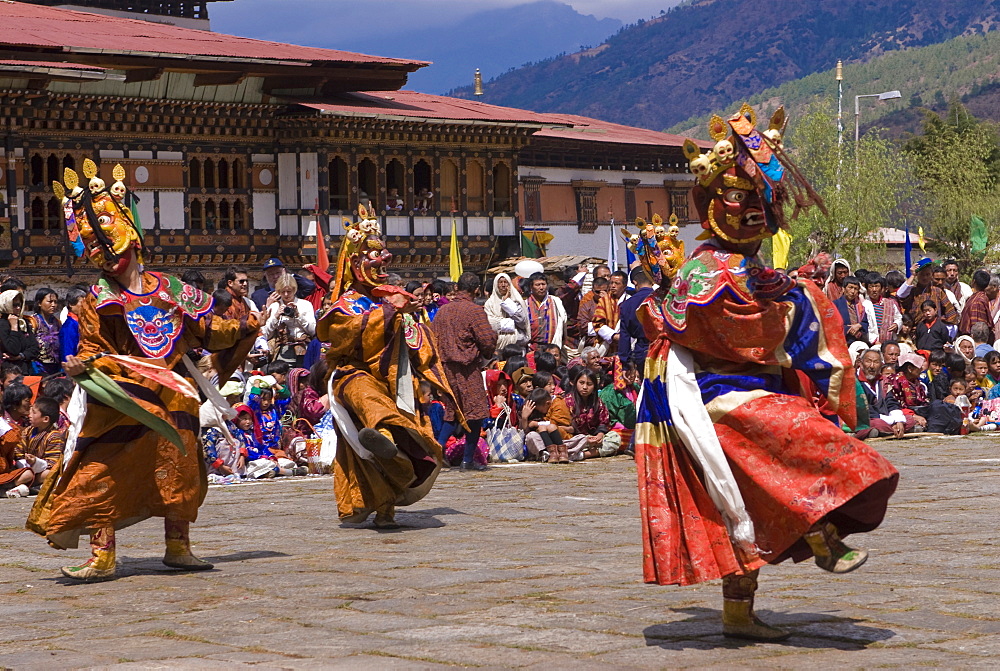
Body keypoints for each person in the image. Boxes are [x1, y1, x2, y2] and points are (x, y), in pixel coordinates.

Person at [635, 108, 898, 642]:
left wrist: (796, 297)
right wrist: (797, 303)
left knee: (746, 500)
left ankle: (742, 610)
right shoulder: (704, 270)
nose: (753, 212)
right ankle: (820, 528)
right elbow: (733, 329)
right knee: (796, 444)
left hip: (750, 386)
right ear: (712, 207)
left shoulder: (752, 269)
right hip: (709, 394)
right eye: (739, 200)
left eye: (758, 201)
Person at [28, 161, 260, 582]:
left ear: (131, 235)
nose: (104, 253)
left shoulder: (171, 289)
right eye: (95, 248)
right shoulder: (96, 301)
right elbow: (93, 349)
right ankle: (102, 555)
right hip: (120, 400)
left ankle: (179, 546)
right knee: (100, 472)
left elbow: (209, 327)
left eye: (109, 240)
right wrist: (85, 367)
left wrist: (244, 326)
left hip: (172, 396)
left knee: (180, 469)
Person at [315, 205, 459, 528]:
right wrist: (390, 314)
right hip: (352, 375)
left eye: (383, 254)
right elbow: (344, 334)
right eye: (373, 255)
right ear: (354, 263)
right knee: (367, 398)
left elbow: (417, 341)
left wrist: (409, 320)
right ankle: (382, 438)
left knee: (405, 414)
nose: (382, 260)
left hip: (393, 377)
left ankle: (388, 504)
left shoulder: (385, 299)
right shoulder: (344, 304)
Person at [432, 272, 497, 472]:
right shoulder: (474, 311)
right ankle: (468, 460)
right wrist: (489, 346)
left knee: (452, 412)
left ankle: (437, 452)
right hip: (467, 368)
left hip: (445, 368)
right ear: (476, 289)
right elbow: (487, 340)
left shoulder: (442, 311)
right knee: (474, 414)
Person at [261, 273, 316, 368]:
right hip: (281, 352)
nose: (286, 295)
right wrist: (276, 317)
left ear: (294, 290)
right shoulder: (274, 307)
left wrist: (298, 316)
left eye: (289, 291)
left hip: (302, 350)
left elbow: (313, 331)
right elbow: (265, 334)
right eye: (283, 292)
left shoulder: (305, 305)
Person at [857, 349, 914, 437]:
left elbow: (891, 401)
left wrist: (898, 420)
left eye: (876, 362)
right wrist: (891, 421)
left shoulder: (883, 382)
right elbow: (862, 409)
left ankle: (889, 429)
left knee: (909, 419)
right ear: (861, 363)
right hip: (868, 418)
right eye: (868, 361)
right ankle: (897, 429)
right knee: (876, 423)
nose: (872, 366)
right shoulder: (854, 382)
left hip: (885, 418)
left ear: (881, 365)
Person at [563, 368, 612, 460]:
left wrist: (599, 435)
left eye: (589, 384)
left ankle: (583, 455)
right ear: (575, 383)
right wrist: (584, 439)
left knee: (615, 438)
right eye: (581, 383)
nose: (585, 387)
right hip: (576, 439)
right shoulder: (567, 401)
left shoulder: (597, 402)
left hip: (594, 437)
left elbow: (604, 422)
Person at [18, 396, 66, 490]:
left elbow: (53, 462)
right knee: (26, 474)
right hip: (25, 470)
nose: (29, 415)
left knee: (48, 474)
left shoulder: (54, 436)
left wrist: (35, 462)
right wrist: (24, 460)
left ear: (45, 419)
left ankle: (26, 485)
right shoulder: (27, 431)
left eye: (34, 412)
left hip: (41, 472)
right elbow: (18, 451)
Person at [898, 259, 959, 327]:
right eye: (922, 274)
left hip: (934, 331)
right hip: (915, 331)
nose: (925, 277)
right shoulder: (912, 291)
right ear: (917, 275)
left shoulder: (938, 291)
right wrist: (912, 275)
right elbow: (900, 294)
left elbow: (951, 313)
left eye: (927, 274)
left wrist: (941, 322)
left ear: (932, 276)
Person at [0, 383, 33, 497]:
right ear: (15, 404)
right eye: (27, 401)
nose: (30, 404)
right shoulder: (5, 426)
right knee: (27, 474)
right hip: (6, 468)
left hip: (22, 464)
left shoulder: (29, 421)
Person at [484, 273, 529, 354]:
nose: (503, 285)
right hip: (497, 347)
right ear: (496, 285)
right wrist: (511, 324)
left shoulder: (516, 300)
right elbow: (490, 324)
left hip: (516, 345)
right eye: (500, 282)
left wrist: (507, 302)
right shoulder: (489, 303)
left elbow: (522, 322)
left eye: (506, 282)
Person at [618, 267, 654, 369]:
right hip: (664, 351)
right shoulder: (664, 298)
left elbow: (624, 336)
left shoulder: (627, 305)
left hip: (642, 351)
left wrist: (626, 363)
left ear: (635, 282)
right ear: (652, 280)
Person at [520, 388, 567, 463]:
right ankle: (550, 454)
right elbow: (525, 433)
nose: (540, 412)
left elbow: (559, 425)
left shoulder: (557, 405)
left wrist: (536, 424)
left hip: (561, 438)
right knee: (532, 436)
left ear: (548, 403)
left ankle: (562, 453)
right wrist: (524, 418)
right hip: (542, 442)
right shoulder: (533, 410)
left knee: (579, 439)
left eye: (540, 410)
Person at [250, 257, 317, 310]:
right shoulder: (258, 295)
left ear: (283, 271)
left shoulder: (292, 290)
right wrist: (268, 306)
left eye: (278, 273)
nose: (275, 277)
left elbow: (310, 286)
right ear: (265, 275)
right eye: (271, 274)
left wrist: (289, 276)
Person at [525, 272, 568, 351]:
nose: (541, 288)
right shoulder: (525, 304)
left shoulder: (555, 301)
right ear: (531, 287)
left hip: (552, 346)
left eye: (543, 284)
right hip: (531, 348)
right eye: (537, 285)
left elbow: (563, 321)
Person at [0, 290, 39, 375]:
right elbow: (13, 349)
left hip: (26, 370)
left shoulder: (23, 323)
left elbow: (35, 348)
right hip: (8, 373)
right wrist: (14, 327)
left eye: (19, 305)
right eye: (14, 305)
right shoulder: (2, 324)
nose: (18, 308)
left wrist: (21, 356)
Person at [592, 270, 628, 350]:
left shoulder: (631, 300)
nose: (613, 286)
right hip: (606, 347)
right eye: (611, 283)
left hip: (626, 345)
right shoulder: (604, 301)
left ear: (624, 285)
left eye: (617, 283)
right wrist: (613, 336)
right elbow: (597, 323)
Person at [29, 288, 61, 375]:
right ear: (39, 303)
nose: (53, 305)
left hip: (56, 367)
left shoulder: (57, 322)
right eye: (50, 302)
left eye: (55, 302)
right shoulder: (33, 322)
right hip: (38, 367)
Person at [862, 274, 901, 346]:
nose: (874, 290)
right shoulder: (864, 305)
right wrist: (875, 341)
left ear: (882, 288)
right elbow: (865, 327)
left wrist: (896, 324)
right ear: (867, 289)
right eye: (871, 287)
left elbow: (898, 318)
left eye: (876, 286)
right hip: (872, 343)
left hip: (890, 341)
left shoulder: (890, 303)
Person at [833, 276, 870, 348]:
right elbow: (832, 325)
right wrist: (849, 329)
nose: (853, 291)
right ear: (843, 289)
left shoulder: (860, 305)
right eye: (850, 287)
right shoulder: (835, 304)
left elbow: (866, 322)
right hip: (842, 343)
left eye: (855, 289)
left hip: (859, 343)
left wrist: (859, 325)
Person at [959, 270, 995, 340]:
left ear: (973, 281)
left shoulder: (978, 301)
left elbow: (977, 326)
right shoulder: (977, 297)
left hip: (974, 339)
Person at [59, 287, 86, 362]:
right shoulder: (69, 326)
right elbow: (68, 353)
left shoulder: (81, 323)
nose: (85, 306)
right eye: (82, 303)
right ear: (71, 304)